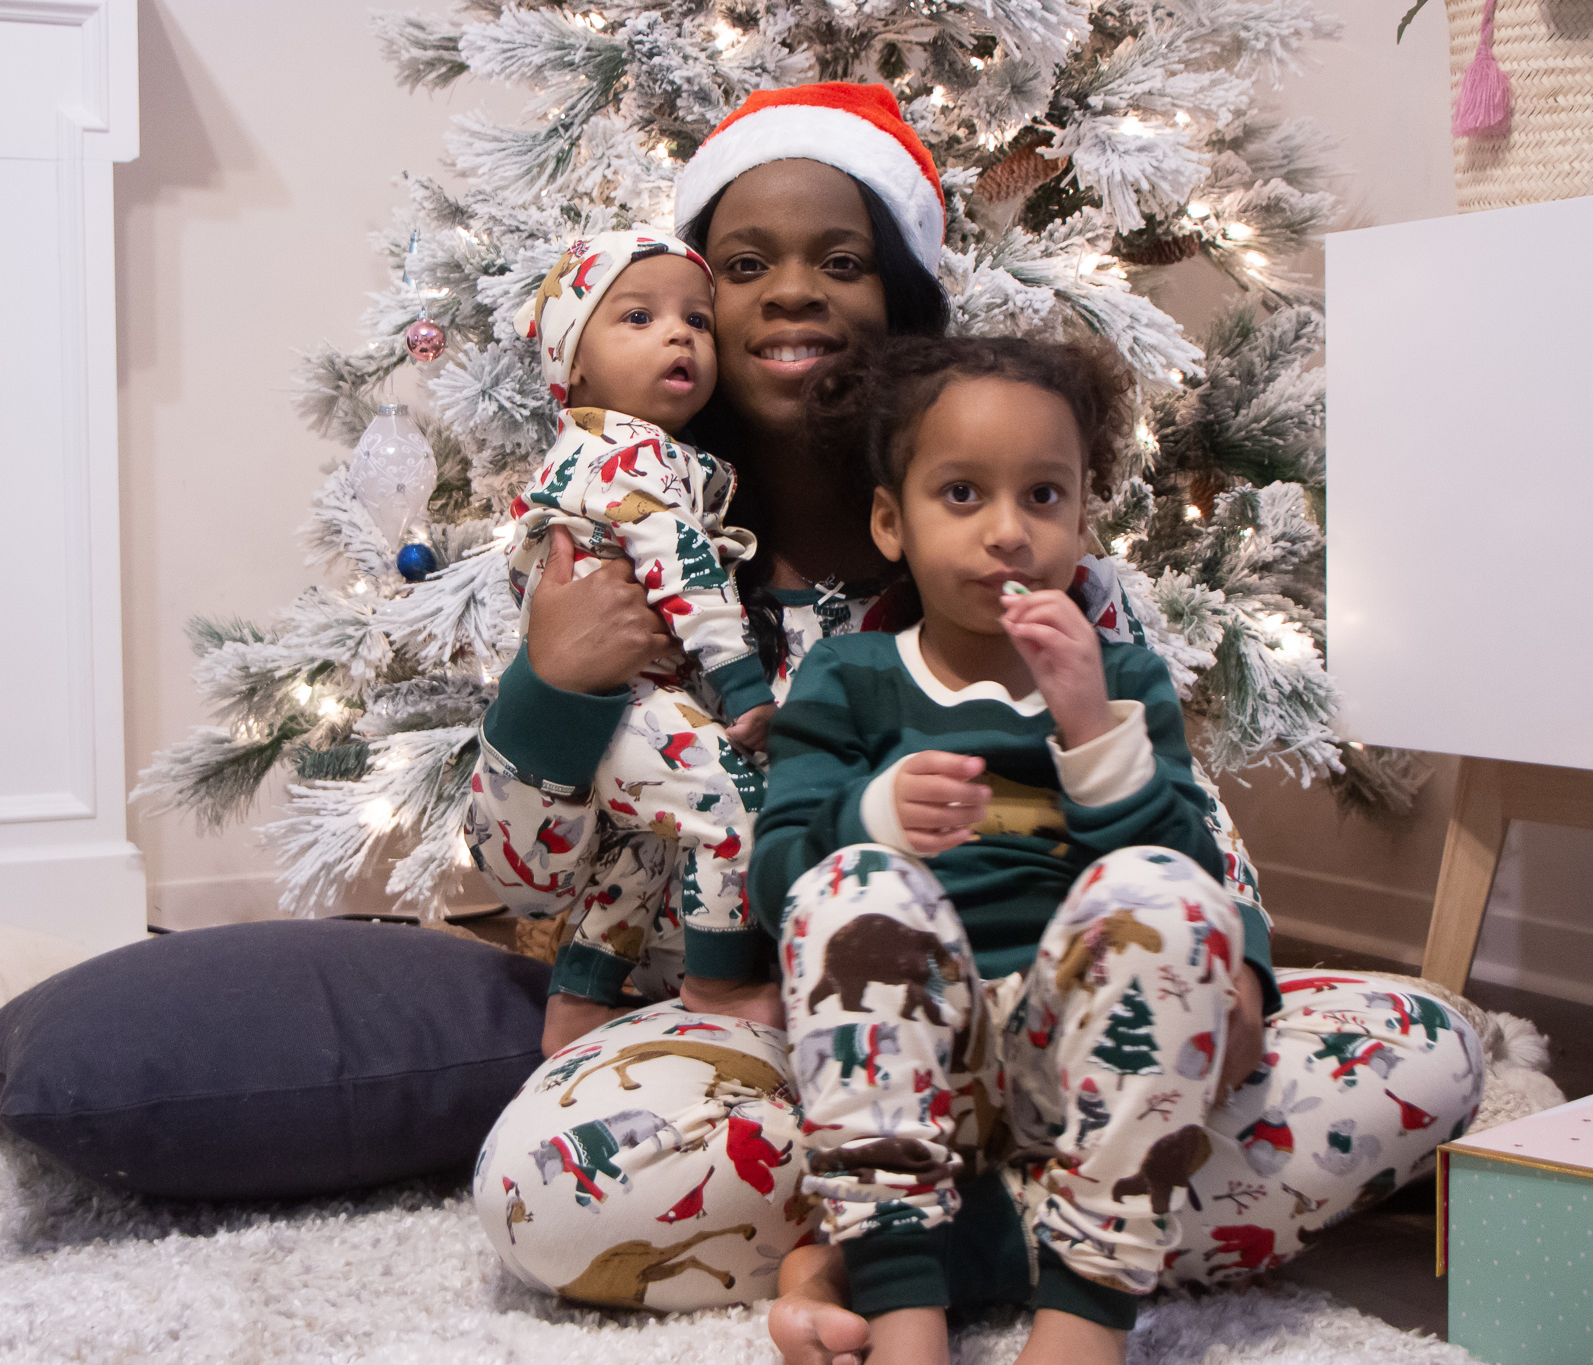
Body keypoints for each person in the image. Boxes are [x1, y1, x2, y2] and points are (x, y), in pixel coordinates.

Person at [465, 80, 1479, 1363]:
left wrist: (1234, 973)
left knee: (1421, 1049)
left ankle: (911, 1251)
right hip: (790, 1050)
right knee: (544, 1184)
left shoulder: (1038, 563)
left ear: (900, 303)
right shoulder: (606, 556)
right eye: (741, 264)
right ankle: (1007, 1230)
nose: (791, 291)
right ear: (688, 301)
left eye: (842, 262)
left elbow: (1180, 829)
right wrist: (548, 685)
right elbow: (524, 871)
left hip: (1064, 1021)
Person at [752, 332, 1282, 1365]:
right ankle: (905, 1311)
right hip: (909, 1075)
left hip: (1077, 1068)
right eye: (961, 495)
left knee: (1171, 897)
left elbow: (1188, 893)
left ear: (1081, 520)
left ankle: (1077, 1321)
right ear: (887, 522)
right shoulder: (847, 678)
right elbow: (776, 883)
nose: (1006, 533)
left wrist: (1092, 732)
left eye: (1042, 497)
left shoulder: (1119, 679)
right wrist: (873, 818)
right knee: (846, 884)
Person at [504, 229, 779, 1050]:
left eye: (698, 319)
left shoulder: (629, 451)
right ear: (574, 365)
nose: (679, 333)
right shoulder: (625, 451)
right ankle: (719, 983)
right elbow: (680, 563)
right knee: (731, 798)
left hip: (630, 702)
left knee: (648, 842)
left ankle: (580, 997)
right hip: (623, 696)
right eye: (637, 316)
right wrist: (740, 683)